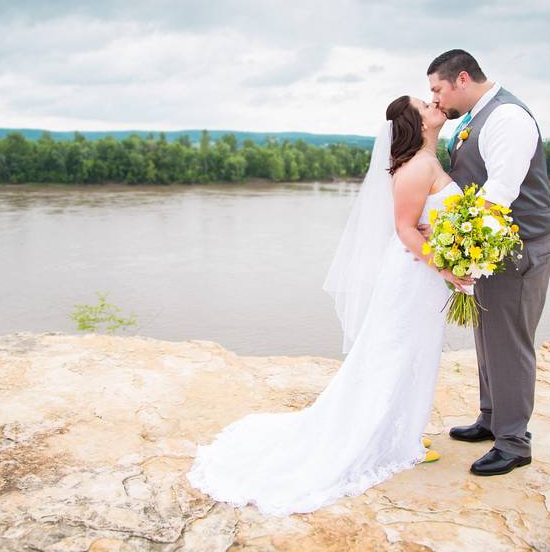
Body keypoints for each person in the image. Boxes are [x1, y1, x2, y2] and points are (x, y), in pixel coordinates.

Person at [185, 95, 473, 517]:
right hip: (414, 278)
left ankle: (401, 432)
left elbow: (422, 221)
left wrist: (447, 239)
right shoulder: (416, 167)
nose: (435, 105)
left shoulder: (428, 161)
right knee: (394, 354)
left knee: (416, 353)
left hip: (424, 277)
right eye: (424, 104)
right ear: (418, 123)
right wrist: (446, 267)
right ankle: (389, 440)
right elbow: (404, 230)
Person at [426, 49, 550, 476]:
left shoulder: (507, 118)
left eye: (438, 89)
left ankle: (514, 442)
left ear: (462, 79)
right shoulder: (476, 116)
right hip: (491, 245)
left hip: (516, 247)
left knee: (509, 340)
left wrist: (461, 247)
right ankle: (491, 418)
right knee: (488, 336)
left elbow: (500, 190)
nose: (436, 98)